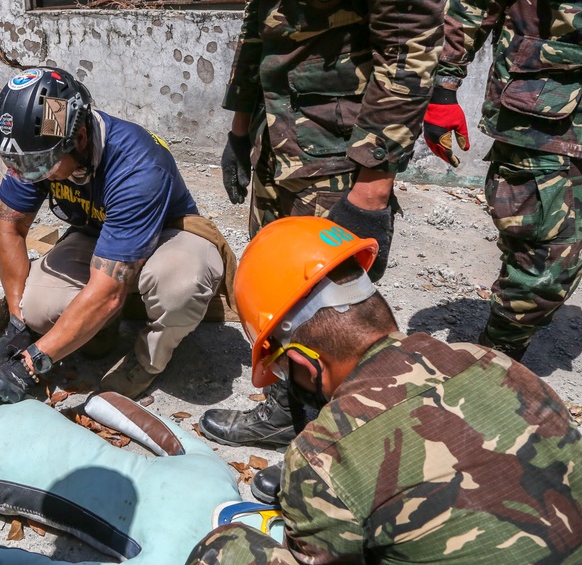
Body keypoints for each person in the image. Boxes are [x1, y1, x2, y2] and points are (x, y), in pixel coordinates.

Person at [187, 216, 582, 564]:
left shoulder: (321, 457)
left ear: (306, 364)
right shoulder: (490, 361)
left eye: (281, 369)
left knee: (227, 548)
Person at [203, 0, 449, 458]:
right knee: (282, 298)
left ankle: (344, 445)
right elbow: (257, 35)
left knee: (335, 312)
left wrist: (373, 188)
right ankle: (287, 415)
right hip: (275, 141)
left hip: (338, 155)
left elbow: (408, 46)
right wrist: (239, 132)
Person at [0, 67, 234, 405]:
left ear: (81, 140)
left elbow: (108, 293)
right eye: (19, 164)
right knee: (37, 308)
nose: (28, 175)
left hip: (169, 233)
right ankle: (101, 327)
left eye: (39, 166)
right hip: (100, 232)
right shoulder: (39, 146)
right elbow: (11, 226)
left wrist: (28, 365)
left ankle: (148, 359)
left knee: (179, 288)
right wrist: (17, 322)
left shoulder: (138, 168)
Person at [423, 0, 582, 362]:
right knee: (544, 268)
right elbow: (471, 6)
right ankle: (493, 363)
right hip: (544, 119)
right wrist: (444, 89)